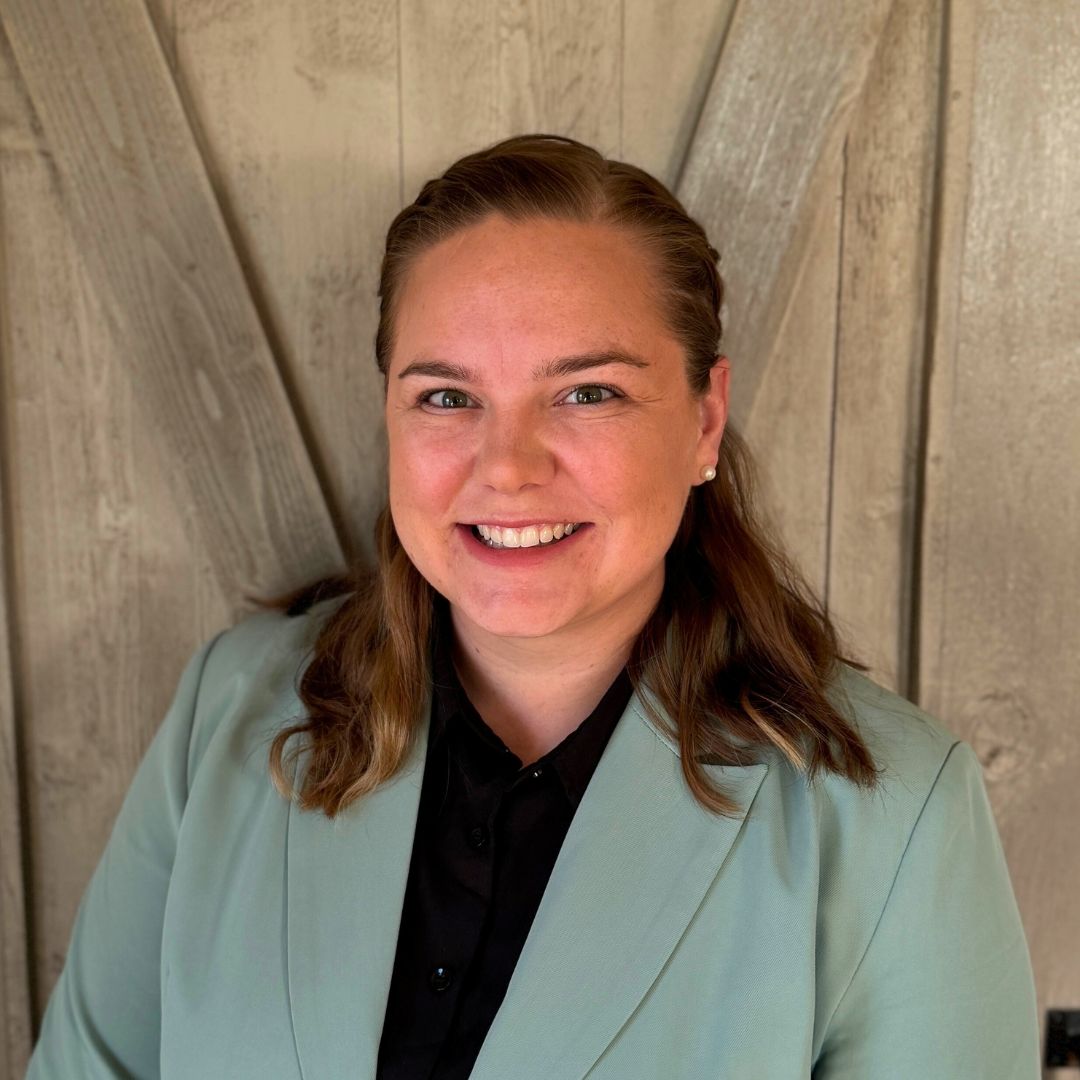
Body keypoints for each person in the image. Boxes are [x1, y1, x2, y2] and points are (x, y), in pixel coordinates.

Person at [26, 134, 1040, 1079]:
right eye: (446, 397)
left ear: (704, 420)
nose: (506, 469)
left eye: (587, 393)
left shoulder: (891, 813)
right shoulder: (231, 713)